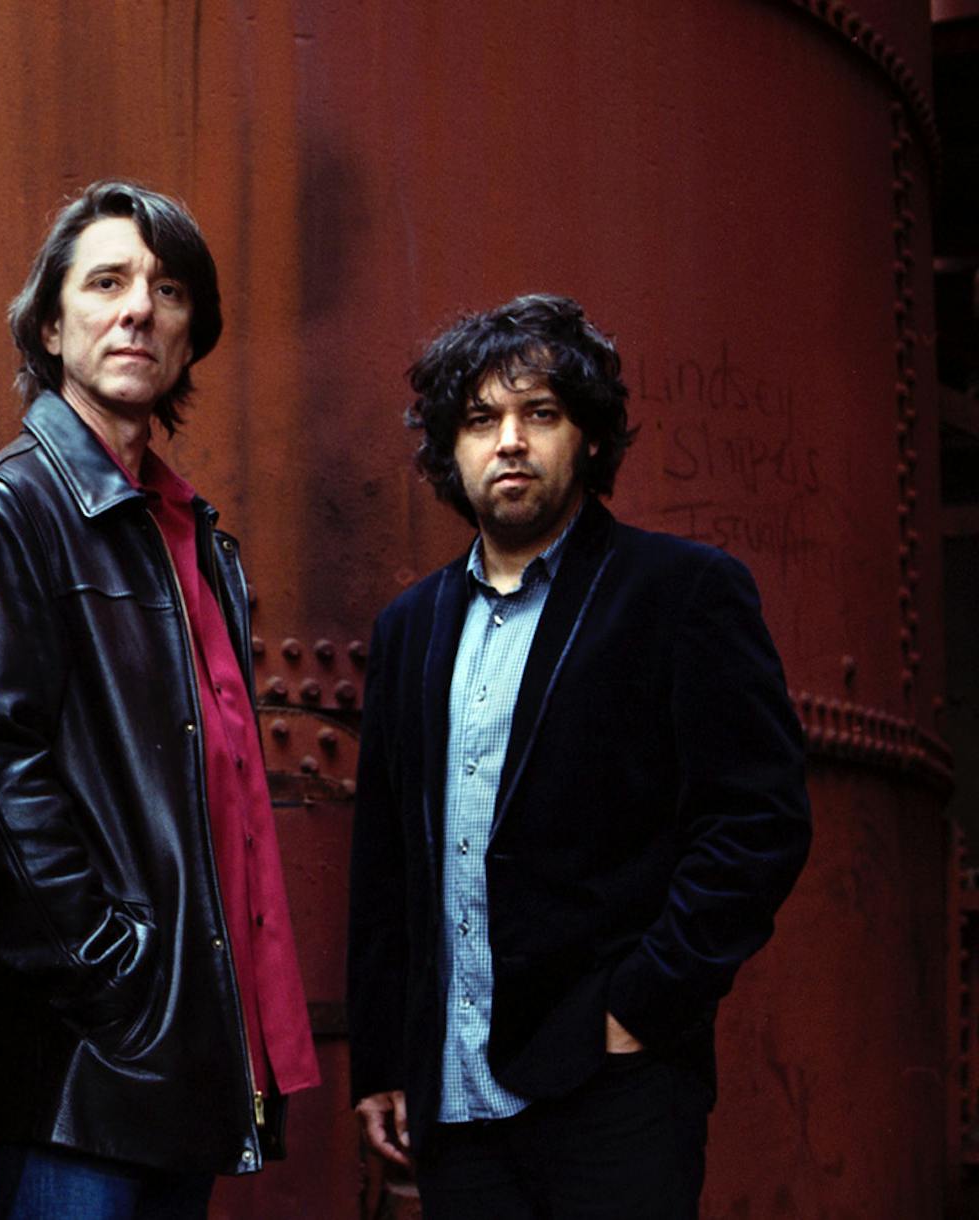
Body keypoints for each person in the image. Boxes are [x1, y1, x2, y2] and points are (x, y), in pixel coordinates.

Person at [346, 294, 812, 1218]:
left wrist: (640, 1006)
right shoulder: (409, 628)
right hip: (455, 1097)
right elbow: (388, 863)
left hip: (612, 1088)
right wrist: (386, 1061)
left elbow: (760, 821)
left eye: (540, 415)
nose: (510, 442)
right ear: (453, 449)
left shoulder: (682, 592)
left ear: (589, 439)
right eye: (481, 421)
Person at [0, 181, 321, 1219]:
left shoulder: (189, 532)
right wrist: (117, 972)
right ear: (51, 321)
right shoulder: (14, 503)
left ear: (190, 332)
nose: (138, 310)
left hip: (178, 1048)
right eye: (107, 281)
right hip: (89, 1058)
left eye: (166, 290)